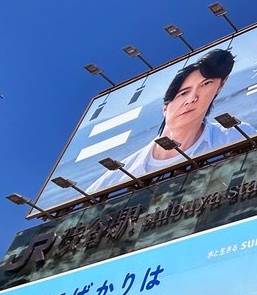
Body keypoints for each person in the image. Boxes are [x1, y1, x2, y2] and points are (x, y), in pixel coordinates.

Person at [88, 49, 236, 192]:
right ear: (165, 108)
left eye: (205, 84)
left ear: (221, 85)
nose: (191, 99)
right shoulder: (118, 176)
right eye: (183, 93)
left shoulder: (232, 137)